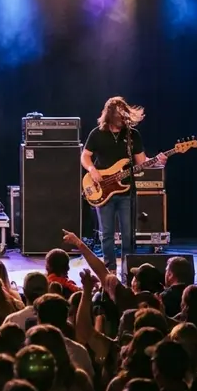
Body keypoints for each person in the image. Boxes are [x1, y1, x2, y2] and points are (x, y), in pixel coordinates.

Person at [81, 97, 166, 272]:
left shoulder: (132, 134)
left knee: (128, 235)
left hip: (126, 191)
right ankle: (109, 270)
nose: (123, 120)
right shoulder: (97, 133)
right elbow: (85, 156)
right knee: (107, 235)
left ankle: (128, 269)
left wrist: (158, 161)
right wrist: (92, 169)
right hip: (102, 190)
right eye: (120, 116)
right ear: (110, 116)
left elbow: (142, 161)